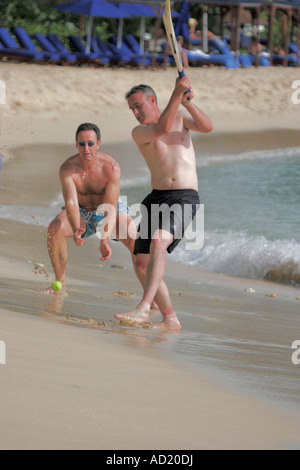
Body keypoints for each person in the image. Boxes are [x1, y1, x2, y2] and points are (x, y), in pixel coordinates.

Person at [115, 77, 213, 331]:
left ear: (152, 100)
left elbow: (207, 126)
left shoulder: (180, 117)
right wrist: (177, 92)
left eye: (138, 106)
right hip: (156, 197)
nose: (135, 113)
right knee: (141, 263)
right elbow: (162, 127)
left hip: (184, 197)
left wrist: (188, 103)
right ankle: (170, 319)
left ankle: (144, 309)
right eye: (132, 109)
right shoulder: (140, 132)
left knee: (159, 241)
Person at [43, 122, 138, 295]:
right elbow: (71, 201)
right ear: (76, 144)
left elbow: (109, 206)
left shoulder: (111, 167)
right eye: (81, 144)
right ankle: (60, 283)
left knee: (136, 241)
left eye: (91, 143)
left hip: (110, 211)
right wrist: (76, 227)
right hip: (82, 212)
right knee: (54, 229)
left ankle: (151, 296)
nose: (86, 148)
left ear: (99, 144)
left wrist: (104, 240)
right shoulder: (67, 169)